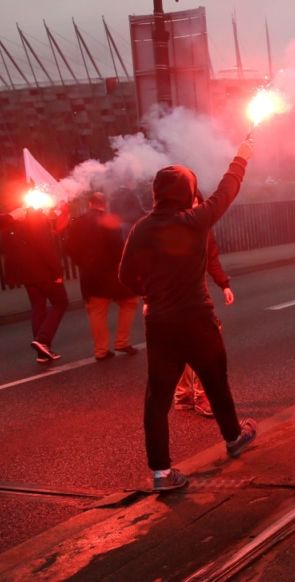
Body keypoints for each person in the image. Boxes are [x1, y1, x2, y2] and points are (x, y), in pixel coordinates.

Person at [119, 140, 258, 491]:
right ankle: (232, 438)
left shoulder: (141, 228)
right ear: (187, 192)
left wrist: (150, 293)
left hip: (160, 322)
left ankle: (161, 474)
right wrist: (241, 156)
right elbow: (227, 191)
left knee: (158, 397)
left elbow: (124, 277)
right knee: (215, 380)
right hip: (197, 318)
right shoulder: (196, 220)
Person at [172, 191, 236, 418]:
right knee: (198, 345)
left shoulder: (203, 229)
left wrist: (224, 284)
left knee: (194, 345)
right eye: (193, 203)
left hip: (194, 297)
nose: (197, 207)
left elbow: (211, 258)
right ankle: (195, 396)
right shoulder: (171, 228)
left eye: (199, 202)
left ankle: (189, 395)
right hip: (180, 300)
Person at [66, 192, 140, 361]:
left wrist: (82, 264)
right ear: (104, 204)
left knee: (97, 310)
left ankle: (101, 351)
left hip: (89, 274)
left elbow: (69, 248)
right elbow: (118, 249)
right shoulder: (109, 220)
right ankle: (121, 342)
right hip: (110, 273)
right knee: (129, 302)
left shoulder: (77, 222)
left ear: (90, 203)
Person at [1, 205, 68, 363]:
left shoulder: (12, 225)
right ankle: (43, 340)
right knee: (60, 302)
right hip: (43, 272)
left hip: (26, 274)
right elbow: (46, 248)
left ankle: (42, 352)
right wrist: (57, 272)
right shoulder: (36, 220)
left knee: (38, 308)